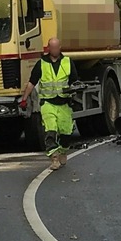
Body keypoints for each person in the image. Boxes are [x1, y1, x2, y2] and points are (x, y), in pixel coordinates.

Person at [19, 38, 79, 168]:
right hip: (48, 103)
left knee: (66, 134)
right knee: (50, 131)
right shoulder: (41, 64)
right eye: (52, 47)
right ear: (48, 48)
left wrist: (75, 91)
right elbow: (31, 82)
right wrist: (24, 99)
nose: (55, 50)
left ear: (60, 47)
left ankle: (63, 150)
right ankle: (54, 158)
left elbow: (75, 82)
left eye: (57, 47)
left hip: (64, 103)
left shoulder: (67, 62)